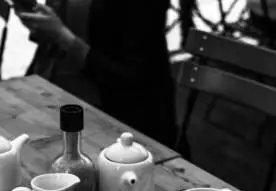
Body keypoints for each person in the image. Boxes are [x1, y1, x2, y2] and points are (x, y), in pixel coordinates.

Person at [16, 0, 177, 147]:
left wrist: (63, 37)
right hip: (46, 96)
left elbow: (133, 76)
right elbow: (63, 25)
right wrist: (37, 19)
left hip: (108, 120)